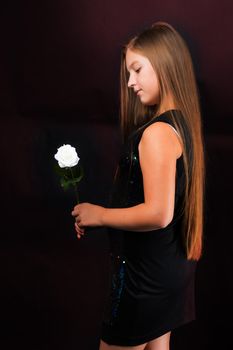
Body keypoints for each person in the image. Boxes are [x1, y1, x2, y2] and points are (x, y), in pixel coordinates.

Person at [71, 21, 205, 350]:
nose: (130, 83)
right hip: (166, 274)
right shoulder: (181, 126)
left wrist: (99, 215)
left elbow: (159, 213)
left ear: (163, 64)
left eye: (137, 69)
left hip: (144, 281)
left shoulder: (158, 133)